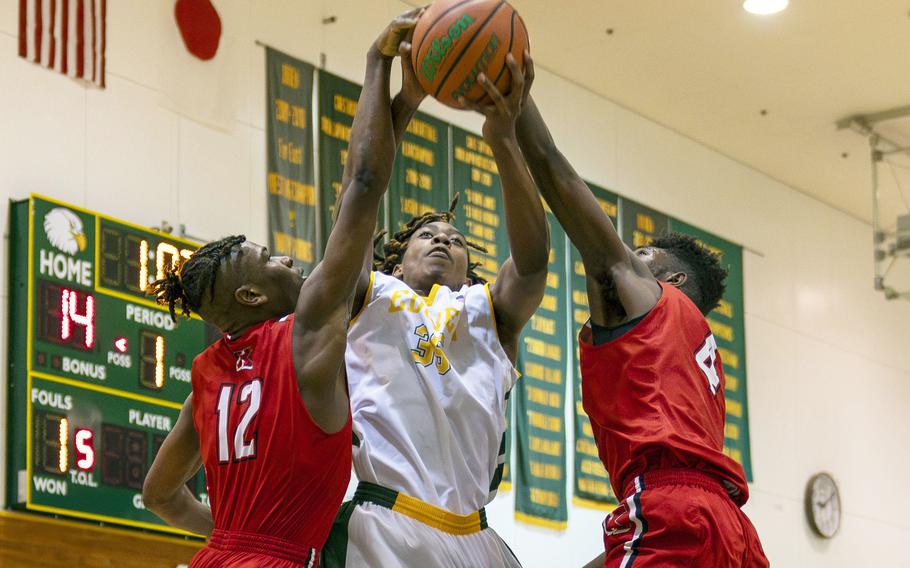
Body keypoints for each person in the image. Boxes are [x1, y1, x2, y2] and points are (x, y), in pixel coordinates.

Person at [141, 12, 421, 567]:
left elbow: (159, 494)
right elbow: (361, 189)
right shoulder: (305, 333)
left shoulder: (206, 378)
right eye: (269, 258)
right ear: (250, 297)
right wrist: (378, 65)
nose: (290, 258)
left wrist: (229, 541)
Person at [513, 63, 769, 568]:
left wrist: (515, 102)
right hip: (731, 528)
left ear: (672, 283)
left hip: (674, 508)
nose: (629, 253)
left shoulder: (656, 303)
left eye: (645, 256)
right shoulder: (698, 349)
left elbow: (555, 170)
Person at [321, 53, 549, 568]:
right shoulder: (371, 293)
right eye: (427, 235)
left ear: (470, 269)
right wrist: (398, 97)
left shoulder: (486, 310)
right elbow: (358, 197)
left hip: (477, 533)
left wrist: (504, 141)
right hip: (387, 519)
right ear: (396, 265)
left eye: (455, 239)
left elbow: (533, 264)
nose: (443, 239)